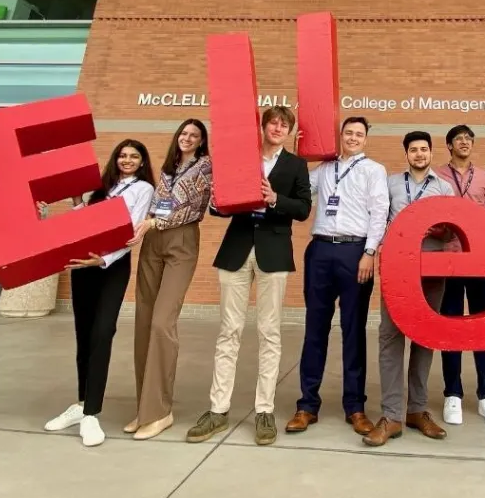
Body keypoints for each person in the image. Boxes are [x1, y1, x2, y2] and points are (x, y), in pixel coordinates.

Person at [187, 106, 311, 447]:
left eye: (284, 124)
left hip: (274, 251)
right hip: (237, 248)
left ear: (289, 131)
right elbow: (220, 206)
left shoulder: (297, 165)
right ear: (263, 126)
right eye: (273, 122)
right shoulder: (242, 158)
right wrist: (216, 202)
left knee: (269, 332)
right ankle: (218, 408)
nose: (278, 127)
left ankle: (264, 410)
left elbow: (303, 209)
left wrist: (275, 199)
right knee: (229, 330)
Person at [42, 140, 155, 447]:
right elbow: (85, 222)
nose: (127, 160)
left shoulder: (142, 189)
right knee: (84, 334)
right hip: (83, 265)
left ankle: (92, 413)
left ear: (142, 162)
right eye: (122, 155)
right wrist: (78, 198)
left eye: (134, 156)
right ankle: (80, 404)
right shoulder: (103, 189)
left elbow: (130, 231)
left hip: (110, 266)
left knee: (102, 333)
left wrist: (103, 259)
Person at [287, 116, 389, 437]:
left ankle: (355, 407)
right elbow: (299, 183)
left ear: (366, 138)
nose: (354, 137)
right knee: (314, 329)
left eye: (359, 133)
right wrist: (297, 149)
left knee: (353, 330)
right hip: (320, 252)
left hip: (354, 252)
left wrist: (370, 253)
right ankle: (307, 405)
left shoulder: (373, 170)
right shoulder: (325, 169)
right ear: (340, 136)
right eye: (349, 133)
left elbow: (380, 211)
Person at [364, 131, 454, 447]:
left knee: (425, 337)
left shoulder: (444, 187)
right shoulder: (389, 183)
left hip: (431, 271)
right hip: (397, 269)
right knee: (390, 337)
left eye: (424, 149)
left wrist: (439, 229)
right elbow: (376, 219)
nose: (419, 154)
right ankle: (391, 415)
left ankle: (417, 410)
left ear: (431, 153)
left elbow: (451, 234)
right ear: (406, 154)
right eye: (413, 150)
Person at [125, 119, 213, 441]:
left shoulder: (206, 168)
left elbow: (192, 210)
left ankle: (160, 411)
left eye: (194, 135)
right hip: (152, 244)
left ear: (201, 141)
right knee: (144, 322)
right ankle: (144, 410)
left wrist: (152, 223)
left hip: (181, 242)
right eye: (184, 133)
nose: (187, 138)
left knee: (163, 322)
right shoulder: (167, 168)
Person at [436, 124, 485, 428]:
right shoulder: (437, 175)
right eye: (459, 140)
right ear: (450, 145)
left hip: (480, 262)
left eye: (468, 139)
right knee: (450, 325)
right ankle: (452, 392)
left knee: (483, 326)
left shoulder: (484, 177)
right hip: (449, 261)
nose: (464, 143)